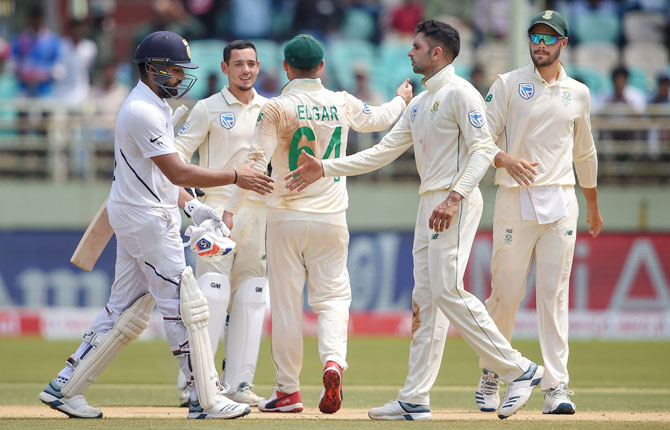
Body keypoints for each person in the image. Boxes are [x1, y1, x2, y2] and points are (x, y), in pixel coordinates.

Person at [285, 20, 543, 421]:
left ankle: (518, 369)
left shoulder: (461, 93)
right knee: (426, 300)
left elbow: (482, 150)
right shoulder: (421, 102)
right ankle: (414, 398)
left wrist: (455, 197)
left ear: (436, 53)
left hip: (452, 201)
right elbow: (382, 151)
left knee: (446, 290)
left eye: (417, 46)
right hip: (429, 204)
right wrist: (326, 167)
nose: (410, 52)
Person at [37, 30, 273, 420]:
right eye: (175, 70)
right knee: (185, 305)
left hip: (139, 210)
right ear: (153, 69)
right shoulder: (142, 110)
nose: (180, 77)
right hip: (146, 218)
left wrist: (193, 207)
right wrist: (236, 176)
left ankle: (65, 386)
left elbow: (163, 177)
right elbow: (177, 168)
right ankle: (205, 398)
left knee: (124, 310)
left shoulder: (155, 105)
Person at [222, 33, 413, 414]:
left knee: (288, 306)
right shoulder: (341, 102)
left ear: (286, 68)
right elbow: (379, 119)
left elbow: (256, 161)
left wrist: (231, 209)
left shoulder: (275, 108)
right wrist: (401, 99)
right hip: (330, 217)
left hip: (285, 216)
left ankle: (288, 391)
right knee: (333, 299)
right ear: (322, 67)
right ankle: (332, 362)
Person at [473, 10, 602, 416]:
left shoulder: (578, 92)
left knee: (554, 295)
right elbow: (481, 140)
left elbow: (585, 152)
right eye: (536, 37)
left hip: (562, 202)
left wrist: (593, 205)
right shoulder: (508, 84)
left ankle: (556, 387)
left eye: (549, 38)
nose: (541, 45)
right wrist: (505, 160)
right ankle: (495, 371)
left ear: (563, 43)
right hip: (515, 198)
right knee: (507, 293)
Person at [174, 39, 269, 407]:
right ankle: (196, 383)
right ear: (225, 67)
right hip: (215, 214)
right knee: (211, 292)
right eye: (238, 64)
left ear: (259, 67)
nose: (246, 70)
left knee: (251, 296)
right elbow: (174, 164)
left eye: (251, 63)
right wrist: (193, 208)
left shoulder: (270, 110)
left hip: (257, 215)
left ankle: (239, 385)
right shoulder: (208, 109)